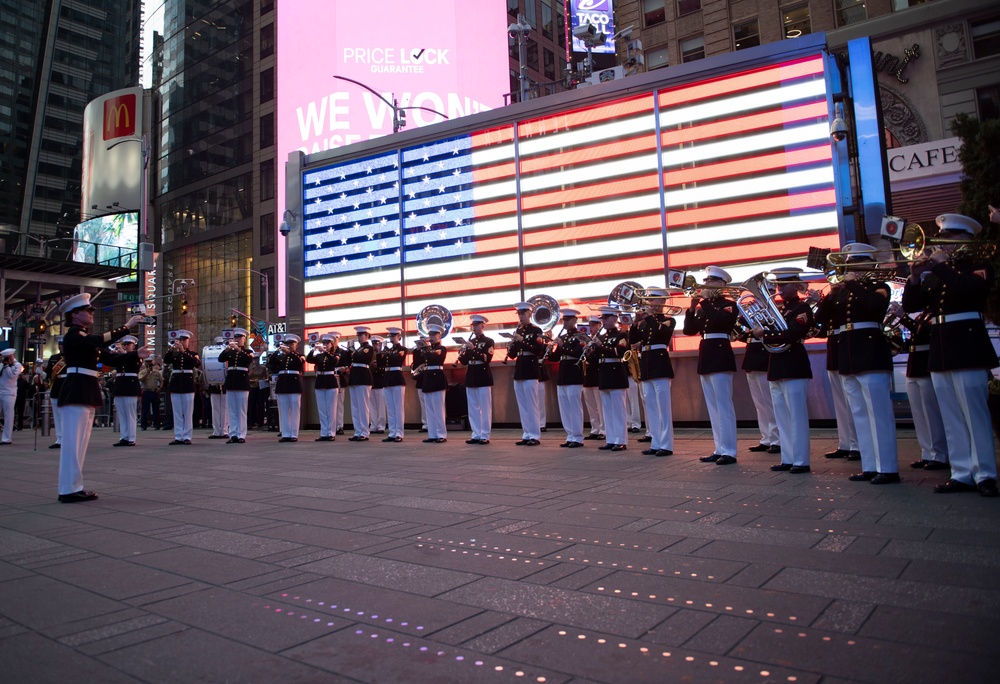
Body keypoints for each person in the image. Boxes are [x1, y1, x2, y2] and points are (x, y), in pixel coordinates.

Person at [903, 213, 997, 496]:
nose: (945, 246)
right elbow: (911, 305)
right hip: (941, 347)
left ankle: (985, 474)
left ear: (967, 240)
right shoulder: (937, 274)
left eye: (951, 239)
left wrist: (942, 267)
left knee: (974, 412)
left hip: (968, 346)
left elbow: (966, 290)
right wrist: (915, 277)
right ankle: (961, 473)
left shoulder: (978, 268)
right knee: (952, 414)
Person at [56, 293, 145, 502]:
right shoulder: (75, 336)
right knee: (72, 442)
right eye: (88, 311)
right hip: (77, 388)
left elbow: (109, 357)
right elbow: (98, 340)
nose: (91, 313)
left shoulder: (85, 338)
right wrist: (126, 326)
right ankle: (68, 489)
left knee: (81, 442)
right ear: (75, 315)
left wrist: (135, 355)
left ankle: (74, 486)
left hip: (85, 389)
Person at [832, 242, 899, 484]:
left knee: (878, 413)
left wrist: (852, 284)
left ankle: (888, 467)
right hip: (849, 355)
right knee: (859, 413)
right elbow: (824, 320)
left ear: (870, 265)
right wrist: (832, 293)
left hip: (871, 353)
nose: (852, 270)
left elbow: (876, 308)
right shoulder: (843, 292)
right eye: (850, 265)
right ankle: (870, 465)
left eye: (858, 265)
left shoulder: (878, 287)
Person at [753, 268, 814, 473]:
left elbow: (792, 333)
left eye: (784, 285)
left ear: (797, 286)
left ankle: (801, 460)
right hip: (777, 364)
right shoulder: (781, 309)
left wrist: (766, 334)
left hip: (794, 364)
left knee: (796, 415)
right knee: (782, 415)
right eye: (778, 285)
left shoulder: (802, 308)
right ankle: (788, 457)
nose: (779, 289)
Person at [684, 266, 739, 465]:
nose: (706, 284)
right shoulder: (702, 308)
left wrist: (704, 302)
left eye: (711, 281)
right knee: (713, 408)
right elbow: (690, 330)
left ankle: (730, 451)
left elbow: (720, 321)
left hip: (720, 354)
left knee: (724, 406)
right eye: (706, 281)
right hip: (706, 355)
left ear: (722, 284)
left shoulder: (729, 304)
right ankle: (719, 448)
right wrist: (691, 309)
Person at [887, 303, 949, 471]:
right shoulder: (923, 314)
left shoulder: (934, 313)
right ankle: (927, 452)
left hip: (926, 363)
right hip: (914, 365)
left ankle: (940, 454)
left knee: (931, 414)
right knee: (919, 414)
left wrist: (903, 317)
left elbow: (924, 332)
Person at [814, 278, 861, 462]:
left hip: (846, 345)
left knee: (852, 402)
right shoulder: (835, 297)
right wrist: (827, 297)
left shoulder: (851, 294)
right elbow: (821, 320)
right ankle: (846, 443)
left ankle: (857, 444)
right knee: (840, 403)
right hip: (834, 347)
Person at [635, 289, 676, 457]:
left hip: (659, 363)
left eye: (653, 300)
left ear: (662, 302)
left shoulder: (668, 320)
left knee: (663, 407)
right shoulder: (644, 322)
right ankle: (655, 442)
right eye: (649, 300)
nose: (650, 303)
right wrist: (635, 322)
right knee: (650, 406)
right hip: (646, 363)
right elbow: (633, 340)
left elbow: (660, 333)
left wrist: (648, 318)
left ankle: (666, 445)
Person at [739, 311, 780, 455]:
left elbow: (767, 328)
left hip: (763, 357)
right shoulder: (752, 315)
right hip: (752, 358)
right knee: (760, 405)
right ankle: (767, 438)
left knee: (769, 403)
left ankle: (777, 439)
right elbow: (748, 332)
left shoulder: (772, 312)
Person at [507, 301, 545, 446]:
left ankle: (535, 435)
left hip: (530, 369)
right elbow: (512, 355)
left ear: (529, 313)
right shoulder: (519, 331)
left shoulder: (536, 330)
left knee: (531, 404)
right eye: (519, 314)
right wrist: (511, 345)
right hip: (520, 369)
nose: (520, 316)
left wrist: (521, 341)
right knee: (522, 405)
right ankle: (527, 433)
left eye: (523, 313)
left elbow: (537, 350)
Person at [548, 309, 586, 449]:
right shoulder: (562, 337)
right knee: (564, 407)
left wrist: (562, 346)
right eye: (564, 320)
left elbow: (578, 353)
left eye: (568, 320)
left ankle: (577, 436)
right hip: (563, 373)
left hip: (574, 373)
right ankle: (570, 435)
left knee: (575, 406)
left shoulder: (581, 336)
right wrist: (551, 348)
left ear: (575, 320)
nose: (565, 322)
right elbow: (555, 358)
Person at [595, 306, 629, 451]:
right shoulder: (602, 336)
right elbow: (597, 356)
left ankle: (620, 440)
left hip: (615, 372)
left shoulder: (622, 335)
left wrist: (600, 346)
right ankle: (611, 438)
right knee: (607, 410)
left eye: (606, 318)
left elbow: (618, 352)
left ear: (615, 319)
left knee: (618, 409)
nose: (603, 321)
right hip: (604, 372)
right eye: (602, 318)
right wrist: (590, 350)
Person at [458, 314, 494, 445]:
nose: (475, 328)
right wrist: (461, 353)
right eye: (473, 325)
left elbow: (486, 358)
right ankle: (476, 433)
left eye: (477, 325)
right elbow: (465, 361)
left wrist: (473, 349)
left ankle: (485, 434)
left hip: (483, 375)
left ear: (483, 326)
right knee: (473, 407)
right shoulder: (470, 342)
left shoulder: (488, 341)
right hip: (471, 374)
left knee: (485, 407)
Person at [163, 330, 201, 445]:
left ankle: (187, 436)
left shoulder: (192, 353)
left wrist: (183, 351)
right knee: (177, 412)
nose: (182, 342)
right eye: (180, 340)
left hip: (187, 384)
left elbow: (195, 363)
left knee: (188, 412)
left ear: (188, 341)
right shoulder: (174, 354)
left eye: (184, 340)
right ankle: (178, 436)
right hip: (176, 383)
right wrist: (171, 350)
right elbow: (166, 360)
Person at [104, 335, 142, 446]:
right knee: (122, 413)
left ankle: (131, 438)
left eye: (127, 344)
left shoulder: (136, 355)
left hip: (130, 386)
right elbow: (109, 362)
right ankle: (124, 437)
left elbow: (136, 365)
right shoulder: (119, 356)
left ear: (133, 346)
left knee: (130, 413)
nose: (125, 346)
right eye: (124, 344)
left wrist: (124, 354)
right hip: (120, 385)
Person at [219, 328, 255, 444]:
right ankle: (233, 434)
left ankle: (241, 434)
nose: (237, 339)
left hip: (242, 381)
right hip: (231, 381)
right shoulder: (230, 351)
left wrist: (239, 349)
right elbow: (220, 359)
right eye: (236, 337)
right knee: (232, 410)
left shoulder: (247, 351)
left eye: (240, 337)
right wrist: (227, 349)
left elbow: (248, 359)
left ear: (244, 339)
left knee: (241, 410)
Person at [267, 334, 305, 442]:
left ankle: (294, 434)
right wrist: (277, 350)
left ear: (296, 345)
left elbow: (300, 363)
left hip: (294, 384)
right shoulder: (280, 357)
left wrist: (290, 353)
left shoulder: (299, 355)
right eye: (287, 343)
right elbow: (271, 364)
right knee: (283, 410)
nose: (289, 345)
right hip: (283, 384)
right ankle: (285, 433)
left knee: (294, 410)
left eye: (291, 344)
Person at [306, 333, 339, 442]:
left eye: (327, 343)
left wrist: (326, 351)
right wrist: (313, 348)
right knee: (322, 409)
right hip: (320, 381)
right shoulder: (319, 356)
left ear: (332, 344)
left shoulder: (335, 354)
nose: (325, 345)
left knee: (331, 409)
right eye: (324, 343)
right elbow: (309, 359)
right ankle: (324, 432)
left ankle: (331, 432)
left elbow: (334, 362)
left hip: (330, 381)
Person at [345, 326, 374, 441]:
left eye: (361, 335)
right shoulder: (357, 349)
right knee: (355, 407)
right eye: (358, 336)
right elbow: (349, 360)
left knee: (363, 406)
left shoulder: (368, 348)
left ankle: (365, 432)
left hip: (363, 377)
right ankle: (357, 431)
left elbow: (362, 357)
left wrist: (351, 350)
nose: (359, 338)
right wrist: (349, 351)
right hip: (355, 377)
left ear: (366, 336)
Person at [420, 324, 449, 443]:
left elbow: (434, 359)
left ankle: (441, 434)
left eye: (433, 335)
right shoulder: (428, 349)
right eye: (430, 335)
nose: (431, 337)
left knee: (438, 409)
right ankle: (432, 434)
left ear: (439, 336)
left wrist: (425, 348)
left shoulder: (441, 348)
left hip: (437, 378)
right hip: (428, 378)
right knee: (429, 409)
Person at [382, 328, 407, 443]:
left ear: (399, 337)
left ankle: (399, 433)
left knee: (398, 408)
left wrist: (387, 352)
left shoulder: (402, 349)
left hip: (397, 378)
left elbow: (397, 358)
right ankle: (392, 432)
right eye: (390, 336)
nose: (391, 338)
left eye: (393, 336)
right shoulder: (388, 350)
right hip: (388, 378)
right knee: (390, 408)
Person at [582, 316, 604, 440]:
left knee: (600, 405)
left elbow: (599, 358)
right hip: (588, 375)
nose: (591, 328)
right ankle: (594, 428)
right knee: (590, 405)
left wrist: (591, 353)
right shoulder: (589, 340)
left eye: (593, 325)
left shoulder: (601, 339)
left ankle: (603, 429)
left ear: (599, 326)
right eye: (590, 325)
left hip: (597, 374)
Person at [44, 337, 67, 448]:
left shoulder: (71, 358)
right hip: (56, 387)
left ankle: (67, 437)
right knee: (57, 415)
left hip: (67, 387)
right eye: (60, 346)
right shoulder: (54, 358)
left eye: (63, 346)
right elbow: (49, 373)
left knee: (66, 415)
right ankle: (59, 438)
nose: (61, 348)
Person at [206, 336, 228, 439]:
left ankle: (224, 430)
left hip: (224, 385)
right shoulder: (212, 353)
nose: (220, 346)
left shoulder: (227, 354)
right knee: (215, 409)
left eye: (221, 344)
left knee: (225, 408)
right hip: (214, 385)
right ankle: (216, 431)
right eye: (218, 344)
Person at [0, 349, 23, 444]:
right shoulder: (1, 365)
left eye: (10, 357)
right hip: (0, 390)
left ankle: (6, 438)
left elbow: (13, 376)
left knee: (8, 416)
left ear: (12, 356)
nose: (8, 359)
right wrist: (3, 365)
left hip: (9, 393)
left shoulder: (17, 365)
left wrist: (7, 366)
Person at [370, 335, 387, 434]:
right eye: (373, 343)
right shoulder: (369, 354)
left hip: (380, 381)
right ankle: (373, 424)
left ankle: (381, 425)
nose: (375, 346)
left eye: (376, 343)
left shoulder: (383, 353)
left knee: (381, 406)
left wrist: (378, 367)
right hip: (372, 381)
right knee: (372, 405)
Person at [139, 358, 162, 430]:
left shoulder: (156, 372)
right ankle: (144, 425)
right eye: (147, 363)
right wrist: (147, 373)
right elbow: (142, 379)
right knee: (145, 409)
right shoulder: (142, 372)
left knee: (156, 409)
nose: (149, 365)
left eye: (150, 363)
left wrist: (160, 388)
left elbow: (161, 380)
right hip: (146, 391)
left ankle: (157, 424)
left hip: (154, 391)